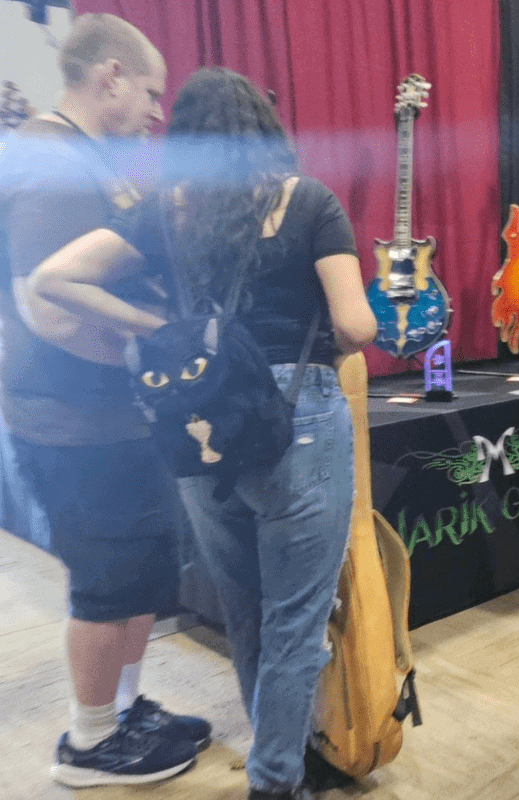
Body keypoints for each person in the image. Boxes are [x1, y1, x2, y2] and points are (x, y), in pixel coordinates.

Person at [30, 67, 377, 800]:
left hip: (204, 426)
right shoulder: (309, 201)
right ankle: (276, 780)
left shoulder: (167, 212)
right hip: (299, 418)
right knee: (296, 619)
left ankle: (280, 755)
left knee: (245, 611)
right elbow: (354, 326)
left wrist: (157, 327)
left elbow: (54, 279)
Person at [0, 13, 209, 787]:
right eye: (150, 92)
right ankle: (89, 744)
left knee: (141, 573)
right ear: (110, 75)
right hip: (75, 422)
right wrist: (157, 354)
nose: (157, 112)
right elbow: (49, 310)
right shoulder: (50, 160)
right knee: (105, 584)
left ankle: (123, 711)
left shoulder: (84, 157)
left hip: (114, 416)